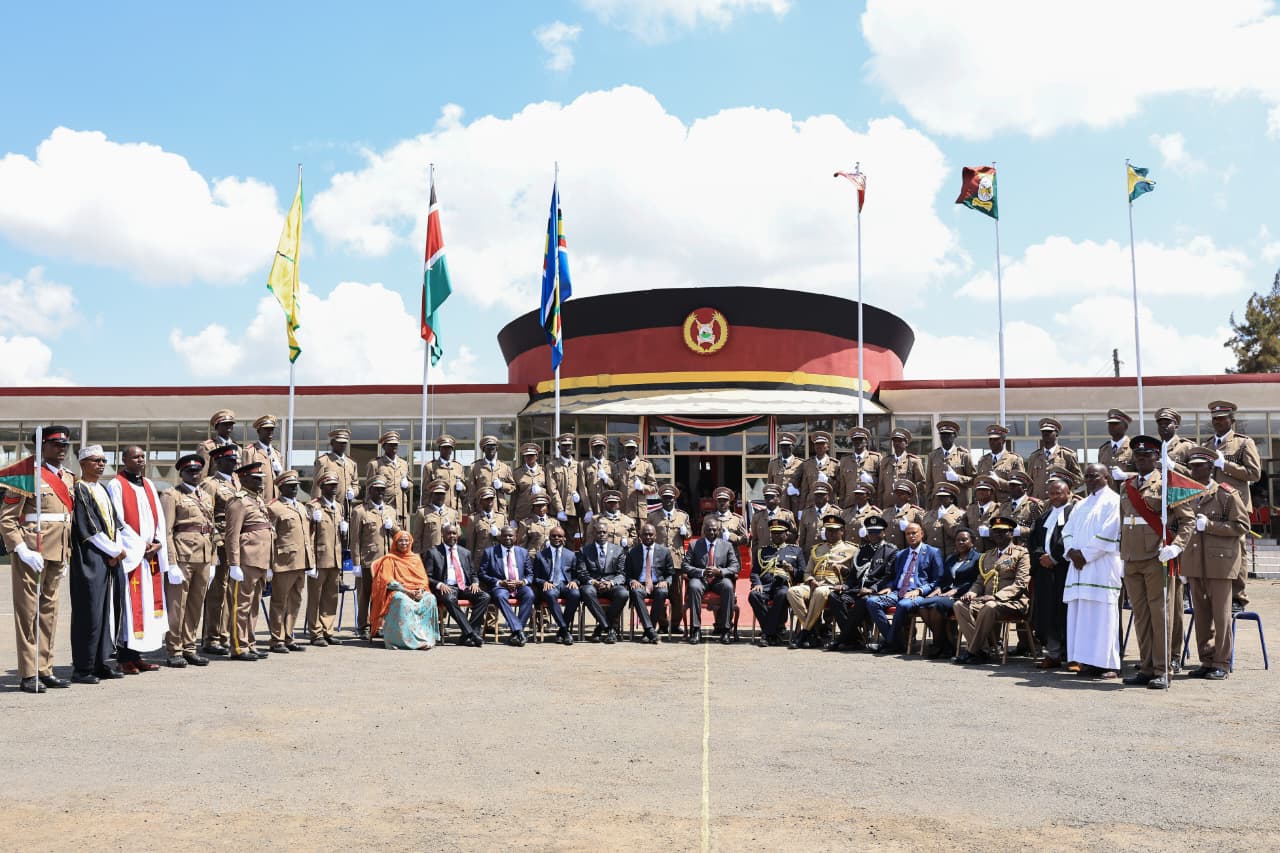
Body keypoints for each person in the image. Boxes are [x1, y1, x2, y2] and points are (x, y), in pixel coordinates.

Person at [1119, 436, 1193, 689]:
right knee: (1140, 616)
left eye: (1146, 456)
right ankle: (1147, 666)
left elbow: (1187, 521)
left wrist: (1176, 546)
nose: (1140, 460)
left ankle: (1163, 669)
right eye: (1137, 457)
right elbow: (1123, 522)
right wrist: (1121, 553)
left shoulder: (1166, 484)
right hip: (1131, 558)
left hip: (1156, 557)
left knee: (1160, 615)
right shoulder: (1126, 486)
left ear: (1155, 458)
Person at [1179, 447, 1250, 680]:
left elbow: (1241, 526)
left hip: (1220, 564)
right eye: (1193, 466)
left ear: (1211, 467)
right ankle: (1206, 659)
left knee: (1221, 616)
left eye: (1200, 465)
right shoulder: (1187, 495)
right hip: (1195, 563)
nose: (1195, 469)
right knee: (1201, 615)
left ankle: (1221, 662)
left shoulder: (1226, 494)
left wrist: (1210, 526)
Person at [107, 444, 170, 673]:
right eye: (135, 457)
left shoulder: (149, 484)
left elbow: (158, 518)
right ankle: (124, 658)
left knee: (146, 607)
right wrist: (140, 545)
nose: (141, 460)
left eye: (143, 456)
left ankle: (137, 656)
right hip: (133, 556)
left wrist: (158, 542)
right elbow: (118, 521)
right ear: (124, 460)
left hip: (149, 556)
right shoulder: (116, 485)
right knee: (131, 608)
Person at [68, 444, 126, 684]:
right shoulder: (80, 489)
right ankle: (83, 668)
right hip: (90, 559)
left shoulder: (101, 488)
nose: (101, 464)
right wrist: (114, 551)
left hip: (109, 558)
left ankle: (102, 663)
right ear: (83, 464)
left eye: (103, 460)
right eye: (95, 460)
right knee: (89, 613)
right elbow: (89, 529)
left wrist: (119, 550)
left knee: (107, 612)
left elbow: (116, 523)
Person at [1061, 463, 1124, 678]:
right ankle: (1086, 661)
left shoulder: (1114, 501)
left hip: (1101, 567)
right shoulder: (1080, 505)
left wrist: (1085, 555)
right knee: (1081, 616)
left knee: (1103, 616)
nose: (1089, 480)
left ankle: (1107, 664)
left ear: (1106, 477)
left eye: (1094, 476)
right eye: (1087, 476)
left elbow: (1110, 532)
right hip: (1079, 569)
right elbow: (1067, 530)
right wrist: (1071, 552)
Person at [1201, 400, 1262, 611]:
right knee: (1213, 549)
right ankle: (1214, 594)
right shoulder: (1208, 445)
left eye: (1222, 418)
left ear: (1231, 420)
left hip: (1236, 504)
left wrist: (1224, 464)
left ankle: (1238, 597)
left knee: (1238, 550)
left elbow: (1254, 473)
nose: (1217, 422)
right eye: (1214, 419)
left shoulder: (1244, 443)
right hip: (1212, 504)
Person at [159, 453, 215, 668]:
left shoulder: (207, 496)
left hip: (203, 556)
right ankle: (174, 649)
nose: (195, 474)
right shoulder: (172, 495)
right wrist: (171, 562)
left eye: (198, 471)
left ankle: (190, 647)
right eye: (190, 471)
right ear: (181, 473)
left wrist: (212, 561)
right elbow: (166, 531)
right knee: (177, 606)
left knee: (195, 604)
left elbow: (211, 530)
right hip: (182, 555)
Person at [953, 516, 1030, 664]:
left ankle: (973, 651)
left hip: (1012, 602)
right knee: (959, 605)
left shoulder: (1021, 553)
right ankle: (982, 651)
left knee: (989, 607)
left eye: (1002, 532)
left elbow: (1020, 583)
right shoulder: (988, 555)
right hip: (987, 601)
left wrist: (996, 597)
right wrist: (971, 593)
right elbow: (980, 581)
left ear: (1011, 533)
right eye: (995, 532)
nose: (998, 535)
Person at [868, 522, 943, 654]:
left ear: (922, 534)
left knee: (903, 605)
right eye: (908, 534)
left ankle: (889, 642)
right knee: (871, 602)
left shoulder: (932, 552)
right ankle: (896, 642)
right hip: (898, 591)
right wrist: (890, 587)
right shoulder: (901, 554)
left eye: (914, 533)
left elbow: (937, 580)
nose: (911, 536)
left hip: (919, 594)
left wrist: (919, 590)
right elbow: (896, 576)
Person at [225, 461, 274, 661]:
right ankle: (238, 646)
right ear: (244, 479)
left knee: (253, 605)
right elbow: (232, 535)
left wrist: (269, 563)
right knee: (241, 605)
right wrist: (234, 564)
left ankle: (250, 643)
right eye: (255, 479)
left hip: (260, 561)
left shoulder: (257, 500)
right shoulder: (239, 501)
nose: (260, 482)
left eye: (261, 479)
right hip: (246, 560)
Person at [1028, 472, 1077, 669]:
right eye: (1051, 494)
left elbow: (1068, 539)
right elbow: (1035, 541)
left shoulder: (1074, 513)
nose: (1055, 497)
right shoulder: (1044, 516)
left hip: (1064, 570)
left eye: (1059, 493)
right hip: (1045, 572)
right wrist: (1042, 557)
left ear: (1068, 493)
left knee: (1066, 613)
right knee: (1047, 613)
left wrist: (1055, 558)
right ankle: (1053, 653)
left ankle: (1072, 655)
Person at [787, 514, 858, 649]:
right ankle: (813, 631)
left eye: (834, 530)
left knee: (820, 592)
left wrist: (843, 571)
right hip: (815, 583)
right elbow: (807, 572)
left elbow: (854, 574)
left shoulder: (851, 549)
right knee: (793, 591)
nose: (830, 533)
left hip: (833, 586)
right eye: (828, 530)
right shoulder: (817, 549)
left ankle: (805, 632)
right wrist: (811, 580)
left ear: (842, 531)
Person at [828, 515, 898, 649]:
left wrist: (872, 589)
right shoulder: (862, 550)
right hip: (857, 589)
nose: (873, 535)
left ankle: (842, 638)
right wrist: (845, 585)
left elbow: (888, 576)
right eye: (870, 532)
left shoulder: (890, 551)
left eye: (876, 532)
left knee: (865, 600)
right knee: (834, 596)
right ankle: (855, 638)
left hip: (875, 591)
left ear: (883, 532)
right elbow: (853, 576)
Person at [266, 469, 314, 653]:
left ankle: (289, 635)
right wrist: (269, 564)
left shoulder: (302, 507)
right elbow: (271, 537)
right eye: (291, 487)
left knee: (295, 601)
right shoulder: (274, 508)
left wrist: (311, 562)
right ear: (281, 487)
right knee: (279, 601)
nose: (295, 489)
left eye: (296, 486)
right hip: (283, 562)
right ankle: (276, 639)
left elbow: (306, 535)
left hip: (301, 561)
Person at [914, 528, 981, 658]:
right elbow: (943, 579)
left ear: (972, 542)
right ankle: (944, 643)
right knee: (922, 604)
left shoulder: (978, 558)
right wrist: (938, 588)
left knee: (936, 605)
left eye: (964, 540)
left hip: (962, 596)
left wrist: (956, 590)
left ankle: (939, 645)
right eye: (957, 540)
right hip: (944, 594)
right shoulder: (951, 558)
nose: (960, 542)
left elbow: (975, 581)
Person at [200, 443, 240, 656]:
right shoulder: (210, 484)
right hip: (221, 543)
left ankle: (225, 634)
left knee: (232, 591)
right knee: (218, 591)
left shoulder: (237, 482)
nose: (234, 463)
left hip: (237, 542)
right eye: (230, 460)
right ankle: (211, 637)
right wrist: (214, 542)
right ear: (217, 461)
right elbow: (206, 516)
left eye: (235, 460)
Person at [368, 529, 439, 650]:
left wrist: (420, 591)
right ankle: (402, 641)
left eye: (406, 540)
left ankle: (424, 637)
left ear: (411, 542)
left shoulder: (415, 559)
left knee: (430, 598)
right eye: (400, 540)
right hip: (399, 591)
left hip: (416, 591)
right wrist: (407, 592)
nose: (404, 543)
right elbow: (388, 581)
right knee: (402, 600)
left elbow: (423, 579)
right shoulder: (389, 559)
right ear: (395, 542)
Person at [427, 523, 489, 647]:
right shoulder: (433, 552)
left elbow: (472, 573)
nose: (452, 536)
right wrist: (439, 584)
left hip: (464, 587)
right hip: (447, 587)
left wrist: (475, 583)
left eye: (454, 533)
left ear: (458, 535)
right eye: (448, 533)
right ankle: (472, 634)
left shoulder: (465, 552)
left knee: (485, 596)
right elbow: (427, 576)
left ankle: (468, 634)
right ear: (443, 535)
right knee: (449, 599)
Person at [351, 477, 396, 642]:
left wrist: (394, 527)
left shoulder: (390, 511)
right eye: (377, 489)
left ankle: (377, 626)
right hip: (368, 560)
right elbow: (355, 539)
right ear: (370, 491)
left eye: (383, 489)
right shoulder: (360, 511)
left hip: (386, 561)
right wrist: (355, 562)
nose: (380, 492)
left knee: (382, 595)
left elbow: (398, 535)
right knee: (366, 594)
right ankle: (363, 626)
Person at [684, 517, 740, 644]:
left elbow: (735, 566)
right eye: (709, 530)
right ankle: (696, 630)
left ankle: (725, 630)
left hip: (719, 579)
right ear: (704, 530)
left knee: (728, 586)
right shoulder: (695, 544)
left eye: (714, 530)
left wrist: (720, 571)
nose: (712, 533)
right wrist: (702, 572)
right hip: (701, 579)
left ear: (719, 531)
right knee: (693, 586)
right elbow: (685, 565)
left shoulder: (727, 546)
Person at [750, 519, 805, 647]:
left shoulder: (795, 551)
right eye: (774, 533)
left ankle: (767, 633)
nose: (776, 536)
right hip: (765, 586)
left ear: (786, 534)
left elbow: (803, 574)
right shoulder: (763, 551)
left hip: (784, 586)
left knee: (782, 594)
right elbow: (754, 572)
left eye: (779, 533)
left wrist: (792, 570)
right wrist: (757, 583)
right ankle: (774, 632)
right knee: (753, 595)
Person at [306, 472, 345, 646]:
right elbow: (307, 535)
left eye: (335, 484)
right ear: (322, 487)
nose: (334, 487)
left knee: (331, 596)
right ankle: (315, 632)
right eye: (330, 484)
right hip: (319, 558)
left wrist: (344, 531)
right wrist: (312, 523)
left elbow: (338, 536)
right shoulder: (313, 506)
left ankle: (328, 629)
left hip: (335, 558)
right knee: (316, 596)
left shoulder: (339, 507)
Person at [479, 525, 534, 646]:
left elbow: (530, 574)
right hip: (501, 586)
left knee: (529, 594)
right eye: (504, 535)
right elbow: (482, 574)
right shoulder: (490, 552)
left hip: (519, 586)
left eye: (510, 535)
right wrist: (500, 582)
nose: (507, 538)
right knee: (499, 596)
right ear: (499, 537)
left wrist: (523, 582)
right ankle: (519, 631)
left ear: (515, 537)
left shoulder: (523, 552)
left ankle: (516, 632)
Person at [648, 484, 691, 634]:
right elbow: (648, 536)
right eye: (665, 498)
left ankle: (675, 624)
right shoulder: (653, 516)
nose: (668, 501)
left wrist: (686, 532)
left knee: (677, 595)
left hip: (676, 560)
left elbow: (690, 534)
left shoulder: (682, 516)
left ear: (675, 499)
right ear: (661, 499)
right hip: (658, 561)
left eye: (670, 498)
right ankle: (663, 623)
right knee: (659, 593)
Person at [576, 519, 627, 643]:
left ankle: (599, 628)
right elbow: (581, 572)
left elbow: (622, 574)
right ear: (594, 534)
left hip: (611, 584)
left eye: (604, 532)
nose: (602, 535)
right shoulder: (585, 550)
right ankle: (609, 628)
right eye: (599, 532)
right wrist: (594, 582)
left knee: (623, 593)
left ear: (608, 534)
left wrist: (611, 583)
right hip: (593, 584)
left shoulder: (618, 550)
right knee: (587, 591)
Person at [623, 523, 673, 644]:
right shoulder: (632, 552)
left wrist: (666, 581)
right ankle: (651, 631)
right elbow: (626, 574)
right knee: (635, 592)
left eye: (651, 534)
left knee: (662, 592)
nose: (648, 537)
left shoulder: (664, 551)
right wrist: (632, 581)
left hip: (657, 584)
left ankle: (648, 631)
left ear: (655, 536)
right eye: (645, 534)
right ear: (640, 536)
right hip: (640, 584)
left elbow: (670, 573)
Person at [531, 526, 580, 645]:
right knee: (550, 594)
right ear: (549, 537)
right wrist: (544, 582)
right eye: (553, 536)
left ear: (564, 538)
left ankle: (562, 631)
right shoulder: (540, 555)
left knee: (575, 594)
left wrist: (575, 581)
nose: (556, 538)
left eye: (559, 536)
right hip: (550, 584)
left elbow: (578, 574)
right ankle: (565, 630)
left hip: (565, 584)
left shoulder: (571, 555)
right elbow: (534, 577)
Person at [1027, 418, 1082, 501]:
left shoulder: (1067, 455)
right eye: (1043, 432)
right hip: (1038, 504)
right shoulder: (1034, 457)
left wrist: (1066, 489)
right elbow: (1029, 482)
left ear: (1056, 434)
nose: (1045, 434)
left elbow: (1079, 480)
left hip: (1059, 502)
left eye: (1049, 432)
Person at [367, 431, 412, 527]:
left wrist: (407, 484)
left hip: (401, 509)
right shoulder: (375, 464)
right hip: (384, 508)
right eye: (391, 445)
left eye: (396, 444)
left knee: (401, 539)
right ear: (384, 446)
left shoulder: (403, 463)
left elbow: (411, 482)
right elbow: (369, 489)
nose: (394, 447)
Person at [927, 420, 976, 506]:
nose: (945, 437)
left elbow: (974, 481)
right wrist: (929, 505)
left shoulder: (964, 455)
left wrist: (958, 478)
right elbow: (929, 484)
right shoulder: (933, 456)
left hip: (958, 504)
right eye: (942, 435)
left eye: (949, 434)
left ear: (955, 435)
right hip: (937, 504)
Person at [511, 442, 562, 525]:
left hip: (541, 513)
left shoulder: (544, 471)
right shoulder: (517, 473)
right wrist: (511, 518)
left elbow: (551, 490)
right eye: (526, 455)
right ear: (524, 457)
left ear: (537, 456)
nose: (529, 457)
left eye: (532, 455)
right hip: (523, 513)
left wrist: (541, 490)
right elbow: (514, 497)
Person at [877, 428, 926, 511]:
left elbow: (922, 486)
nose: (896, 443)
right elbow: (881, 487)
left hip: (907, 507)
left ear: (906, 443)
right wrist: (879, 506)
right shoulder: (885, 461)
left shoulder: (913, 461)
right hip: (888, 505)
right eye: (894, 441)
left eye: (900, 441)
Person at [750, 484, 796, 567]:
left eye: (772, 496)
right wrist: (754, 560)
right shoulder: (757, 516)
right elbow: (755, 541)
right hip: (763, 558)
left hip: (783, 557)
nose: (769, 499)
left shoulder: (787, 515)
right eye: (767, 497)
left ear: (778, 498)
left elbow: (794, 538)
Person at [549, 433, 584, 543]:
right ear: (559, 448)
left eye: (569, 445)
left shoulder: (578, 465)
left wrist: (579, 498)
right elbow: (552, 489)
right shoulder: (552, 465)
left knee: (570, 541)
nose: (567, 448)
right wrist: (560, 509)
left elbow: (582, 486)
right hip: (556, 512)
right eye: (564, 445)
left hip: (573, 510)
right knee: (556, 540)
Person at [615, 434, 657, 526]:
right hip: (623, 509)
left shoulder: (646, 465)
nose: (630, 450)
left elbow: (654, 488)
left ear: (636, 449)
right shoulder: (618, 465)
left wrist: (643, 487)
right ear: (624, 450)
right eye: (628, 448)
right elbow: (615, 488)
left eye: (632, 448)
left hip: (638, 510)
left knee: (640, 538)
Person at [975, 424, 1026, 500]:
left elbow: (1021, 487)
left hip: (1005, 505)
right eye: (990, 439)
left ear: (1003, 441)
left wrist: (999, 481)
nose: (992, 442)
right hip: (987, 506)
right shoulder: (982, 460)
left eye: (996, 439)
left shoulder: (1014, 459)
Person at [412, 479, 461, 555]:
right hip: (429, 555)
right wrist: (418, 557)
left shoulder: (452, 513)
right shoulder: (423, 512)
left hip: (447, 554)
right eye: (437, 494)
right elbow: (417, 537)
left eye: (442, 494)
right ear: (432, 495)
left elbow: (458, 535)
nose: (440, 496)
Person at [242, 415, 284, 503]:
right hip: (258, 502)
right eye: (266, 429)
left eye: (272, 429)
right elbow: (245, 480)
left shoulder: (277, 454)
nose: (270, 432)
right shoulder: (250, 452)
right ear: (258, 431)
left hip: (276, 503)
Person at [792, 431, 840, 509]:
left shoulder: (835, 464)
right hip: (811, 505)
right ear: (814, 447)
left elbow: (839, 488)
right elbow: (804, 489)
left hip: (830, 505)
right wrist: (801, 508)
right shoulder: (807, 464)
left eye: (822, 444)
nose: (819, 446)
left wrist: (828, 480)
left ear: (827, 446)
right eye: (817, 444)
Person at [423, 433, 468, 516]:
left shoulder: (458, 467)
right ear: (439, 449)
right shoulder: (430, 467)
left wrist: (462, 488)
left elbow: (464, 492)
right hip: (437, 510)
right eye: (444, 448)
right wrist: (426, 511)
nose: (447, 450)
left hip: (455, 508)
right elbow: (426, 491)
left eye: (449, 448)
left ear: (452, 450)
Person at [838, 426, 881, 511]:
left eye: (861, 439)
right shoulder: (845, 461)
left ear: (866, 441)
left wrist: (871, 480)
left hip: (870, 503)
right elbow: (842, 486)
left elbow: (882, 483)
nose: (858, 442)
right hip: (849, 503)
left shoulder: (875, 459)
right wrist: (841, 505)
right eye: (855, 440)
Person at [470, 435, 515, 515]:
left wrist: (502, 485)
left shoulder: (504, 467)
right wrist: (472, 511)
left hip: (499, 509)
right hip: (481, 509)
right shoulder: (475, 467)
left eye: (493, 447)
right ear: (483, 450)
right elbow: (471, 492)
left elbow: (513, 487)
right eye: (488, 448)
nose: (491, 450)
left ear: (497, 449)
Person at [922, 482, 965, 559]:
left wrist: (945, 517)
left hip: (951, 557)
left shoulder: (961, 514)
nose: (940, 499)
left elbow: (957, 535)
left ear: (951, 499)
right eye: (938, 497)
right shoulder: (928, 515)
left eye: (944, 497)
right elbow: (924, 537)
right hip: (931, 557)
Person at [579, 434, 615, 527]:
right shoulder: (584, 464)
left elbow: (616, 485)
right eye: (595, 447)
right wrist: (588, 509)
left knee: (606, 534)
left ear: (604, 448)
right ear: (591, 448)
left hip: (607, 506)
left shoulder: (611, 465)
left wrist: (607, 479)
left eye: (600, 447)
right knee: (589, 535)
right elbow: (583, 488)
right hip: (591, 505)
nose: (598, 449)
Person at [797, 482, 840, 555]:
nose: (819, 497)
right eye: (817, 495)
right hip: (809, 554)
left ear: (828, 497)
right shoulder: (806, 512)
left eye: (822, 494)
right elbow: (802, 536)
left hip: (828, 554)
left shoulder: (836, 513)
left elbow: (841, 536)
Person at [1003, 471, 1045, 547]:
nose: (1011, 488)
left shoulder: (1033, 505)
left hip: (1026, 549)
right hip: (1007, 549)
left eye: (1015, 485)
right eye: (1010, 485)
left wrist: (1021, 531)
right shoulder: (1004, 506)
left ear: (1025, 487)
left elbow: (1040, 530)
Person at [1099, 409, 1135, 493]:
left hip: (1127, 497)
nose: (1111, 427)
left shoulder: (1133, 448)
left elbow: (1145, 475)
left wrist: (1126, 475)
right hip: (1107, 497)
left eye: (1115, 424)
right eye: (1110, 424)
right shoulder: (1103, 449)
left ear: (1125, 427)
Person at [769, 431, 805, 515]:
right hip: (777, 505)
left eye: (787, 446)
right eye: (782, 446)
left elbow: (805, 487)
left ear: (792, 447)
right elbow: (770, 485)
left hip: (794, 505)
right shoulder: (773, 464)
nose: (784, 449)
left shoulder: (801, 464)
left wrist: (797, 491)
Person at [884, 480, 925, 550]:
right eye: (896, 493)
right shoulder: (886, 512)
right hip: (888, 552)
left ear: (909, 497)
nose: (898, 495)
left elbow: (924, 534)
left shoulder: (915, 512)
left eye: (902, 493)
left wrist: (909, 527)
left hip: (907, 551)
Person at [196, 409, 237, 476]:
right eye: (225, 424)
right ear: (216, 427)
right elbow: (203, 473)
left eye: (230, 424)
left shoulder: (238, 448)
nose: (228, 427)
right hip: (216, 485)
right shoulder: (207, 447)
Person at [965, 476, 1002, 551]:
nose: (980, 492)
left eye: (984, 490)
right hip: (973, 553)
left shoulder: (999, 510)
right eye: (978, 489)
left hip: (992, 553)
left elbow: (1005, 533)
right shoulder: (969, 509)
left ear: (991, 492)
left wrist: (990, 532)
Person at [467, 486, 507, 554]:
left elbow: (507, 538)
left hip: (498, 556)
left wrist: (498, 534)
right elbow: (470, 543)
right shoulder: (474, 519)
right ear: (480, 502)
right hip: (481, 557)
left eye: (491, 499)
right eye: (486, 499)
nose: (490, 502)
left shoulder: (501, 517)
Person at [840, 483, 881, 548]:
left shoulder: (874, 513)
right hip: (846, 550)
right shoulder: (846, 512)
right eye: (856, 494)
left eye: (861, 494)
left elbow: (878, 536)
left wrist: (867, 535)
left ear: (868, 496)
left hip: (864, 551)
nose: (857, 496)